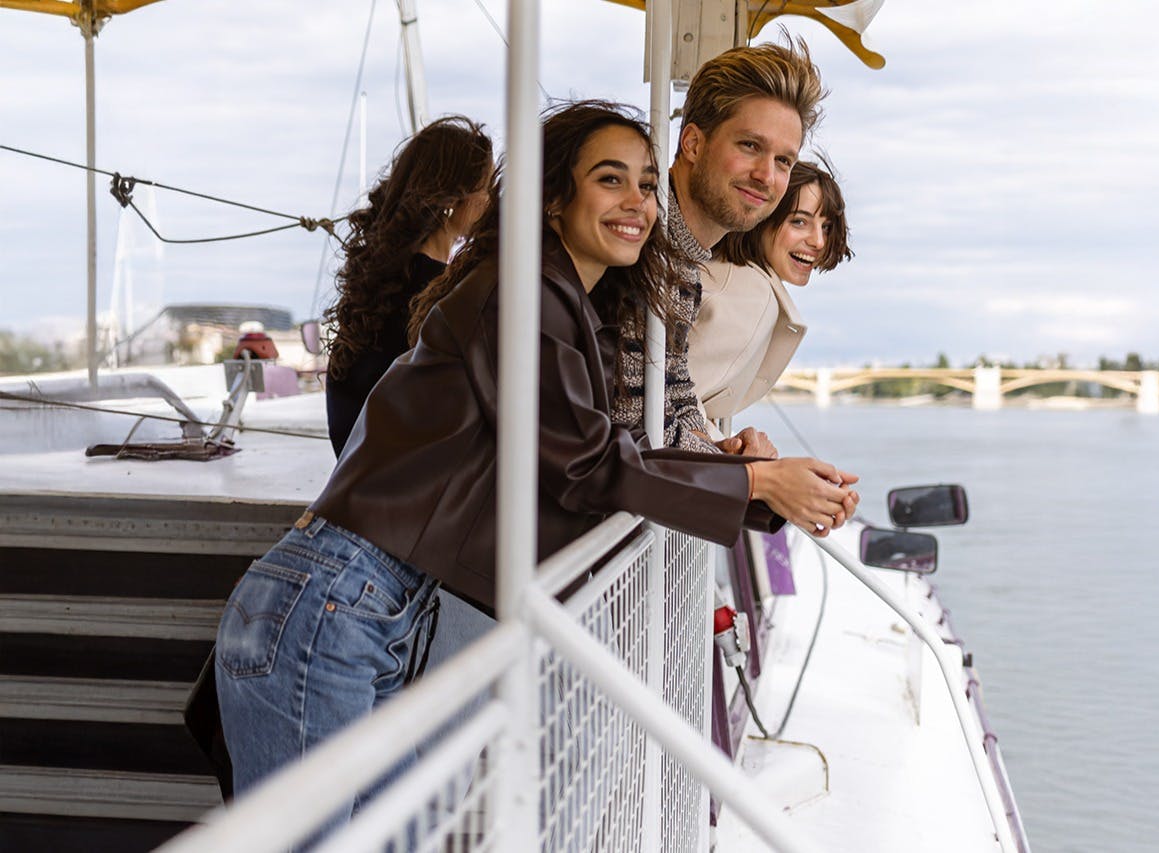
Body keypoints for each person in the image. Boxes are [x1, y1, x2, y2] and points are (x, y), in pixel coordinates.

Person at [214, 101, 859, 815]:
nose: (638, 203)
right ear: (553, 200)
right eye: (610, 180)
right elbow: (586, 467)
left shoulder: (564, 305)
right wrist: (756, 482)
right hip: (336, 606)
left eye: (647, 185)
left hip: (373, 610)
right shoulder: (517, 297)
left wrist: (756, 486)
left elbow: (604, 449)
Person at [610, 34, 825, 457]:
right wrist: (755, 478)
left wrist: (722, 450)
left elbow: (672, 392)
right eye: (750, 146)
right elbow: (634, 421)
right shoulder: (644, 243)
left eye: (784, 161)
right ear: (693, 143)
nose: (767, 176)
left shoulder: (683, 255)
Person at [323, 115, 493, 456]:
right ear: (452, 199)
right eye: (485, 188)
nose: (490, 201)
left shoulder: (380, 283)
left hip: (361, 482)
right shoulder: (441, 293)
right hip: (414, 490)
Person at [688, 159, 853, 428]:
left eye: (826, 226)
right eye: (799, 222)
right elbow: (666, 404)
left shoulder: (727, 272)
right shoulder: (750, 294)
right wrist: (745, 465)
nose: (819, 241)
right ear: (762, 219)